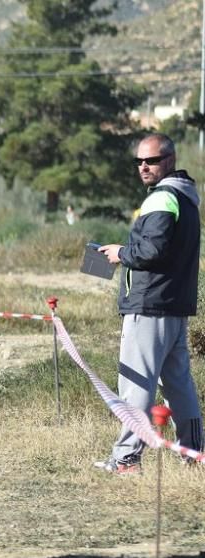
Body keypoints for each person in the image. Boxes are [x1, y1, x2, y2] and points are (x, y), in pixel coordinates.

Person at [97, 133, 203, 473]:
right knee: (179, 385)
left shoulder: (161, 198)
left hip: (149, 305)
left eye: (152, 160)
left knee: (135, 385)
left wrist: (120, 253)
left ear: (169, 160)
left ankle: (127, 458)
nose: (144, 166)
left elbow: (152, 251)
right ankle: (195, 453)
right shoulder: (185, 198)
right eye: (139, 161)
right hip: (173, 307)